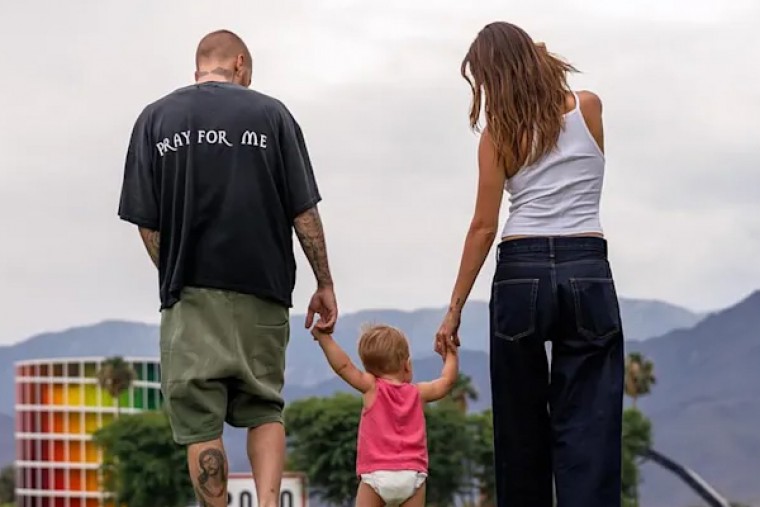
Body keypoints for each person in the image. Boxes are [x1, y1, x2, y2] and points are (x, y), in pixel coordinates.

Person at [118, 29, 337, 507]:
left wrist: (173, 269)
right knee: (265, 407)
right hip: (265, 289)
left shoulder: (155, 119)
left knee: (200, 421)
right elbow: (304, 211)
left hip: (190, 294)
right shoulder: (272, 115)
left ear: (199, 66)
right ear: (240, 63)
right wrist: (324, 282)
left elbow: (146, 222)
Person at [435, 22, 624, 507]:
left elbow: (483, 227)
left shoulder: (497, 135)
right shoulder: (589, 108)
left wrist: (454, 310)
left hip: (522, 271)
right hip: (586, 265)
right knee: (591, 421)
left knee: (519, 424)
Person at [311, 322, 459, 506]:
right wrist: (451, 354)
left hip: (376, 472)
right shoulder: (418, 393)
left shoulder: (371, 388)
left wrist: (324, 338)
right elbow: (446, 382)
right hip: (412, 473)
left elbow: (343, 366)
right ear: (407, 366)